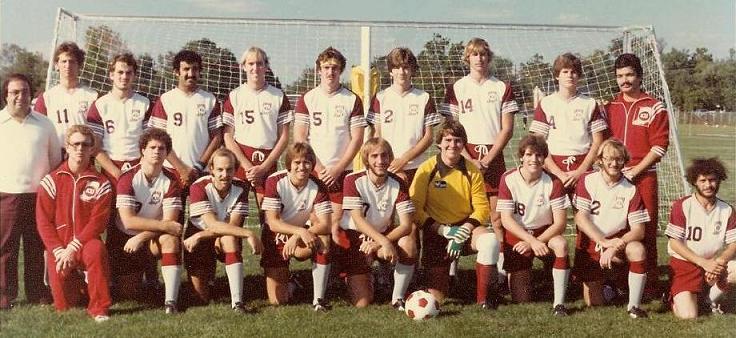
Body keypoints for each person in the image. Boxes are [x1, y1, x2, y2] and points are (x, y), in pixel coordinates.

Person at [442, 38, 519, 285]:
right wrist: (467, 156)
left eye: (484, 54)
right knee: (457, 213)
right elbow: (450, 127)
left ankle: (500, 270)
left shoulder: (501, 87)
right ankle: (450, 269)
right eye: (474, 55)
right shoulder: (457, 87)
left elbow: (507, 128)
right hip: (462, 154)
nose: (479, 59)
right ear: (467, 58)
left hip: (492, 158)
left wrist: (486, 159)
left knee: (497, 217)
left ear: (489, 57)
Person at [410, 120, 497, 308]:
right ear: (439, 143)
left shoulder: (472, 170)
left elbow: (482, 208)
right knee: (436, 299)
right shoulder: (426, 169)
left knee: (490, 241)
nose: (452, 145)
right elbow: (415, 209)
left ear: (463, 143)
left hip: (465, 229)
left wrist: (464, 230)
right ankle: (446, 279)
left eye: (458, 140)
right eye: (448, 140)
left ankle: (484, 300)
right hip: (437, 231)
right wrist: (443, 231)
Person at [604, 53, 670, 295]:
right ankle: (615, 281)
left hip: (643, 177)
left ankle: (649, 284)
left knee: (646, 230)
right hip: (613, 177)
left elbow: (659, 146)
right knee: (616, 227)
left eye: (630, 74)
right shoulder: (609, 107)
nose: (625, 80)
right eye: (620, 76)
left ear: (640, 76)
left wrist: (635, 171)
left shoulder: (654, 106)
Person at [35, 125, 112, 322]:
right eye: (75, 144)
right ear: (67, 147)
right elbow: (43, 222)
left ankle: (99, 309)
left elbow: (98, 222)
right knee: (64, 306)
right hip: (59, 245)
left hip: (86, 242)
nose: (80, 149)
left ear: (91, 149)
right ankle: (78, 284)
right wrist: (59, 250)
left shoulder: (101, 182)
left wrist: (74, 246)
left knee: (96, 250)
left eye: (85, 145)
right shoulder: (51, 180)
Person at [294, 47, 366, 246]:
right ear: (319, 69)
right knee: (316, 222)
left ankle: (338, 273)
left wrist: (338, 168)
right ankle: (320, 269)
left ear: (341, 70)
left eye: (334, 67)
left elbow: (357, 138)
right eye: (326, 67)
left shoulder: (351, 99)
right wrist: (318, 167)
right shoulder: (307, 98)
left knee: (338, 224)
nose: (330, 72)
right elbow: (300, 137)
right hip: (313, 171)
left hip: (342, 172)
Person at [0, 73, 61, 309]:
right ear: (6, 95)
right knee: (6, 248)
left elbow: (55, 160)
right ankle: (5, 296)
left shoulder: (45, 124)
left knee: (37, 246)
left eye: (24, 91)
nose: (20, 97)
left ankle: (38, 292)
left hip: (39, 196)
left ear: (31, 94)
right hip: (6, 195)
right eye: (14, 92)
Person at [334, 138, 416, 309]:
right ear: (366, 159)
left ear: (390, 157)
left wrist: (380, 241)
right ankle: (363, 274)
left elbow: (406, 225)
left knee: (408, 242)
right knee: (362, 303)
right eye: (375, 156)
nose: (380, 161)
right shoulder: (352, 180)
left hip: (381, 235)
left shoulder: (398, 182)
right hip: (355, 236)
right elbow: (357, 219)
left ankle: (398, 298)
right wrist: (384, 242)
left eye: (384, 156)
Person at [573, 139, 650, 318]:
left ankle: (634, 306)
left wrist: (614, 245)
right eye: (609, 159)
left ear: (624, 161)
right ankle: (612, 285)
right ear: (600, 159)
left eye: (619, 159)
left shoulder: (630, 188)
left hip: (618, 242)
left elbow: (639, 230)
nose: (614, 163)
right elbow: (580, 218)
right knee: (594, 303)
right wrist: (603, 241)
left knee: (637, 249)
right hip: (593, 241)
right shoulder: (587, 180)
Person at [111, 128, 184, 314]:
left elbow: (171, 224)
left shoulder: (172, 180)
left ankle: (170, 302)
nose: (157, 152)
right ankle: (148, 276)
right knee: (128, 294)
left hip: (150, 239)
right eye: (152, 147)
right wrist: (162, 226)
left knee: (170, 240)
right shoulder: (127, 178)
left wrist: (141, 237)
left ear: (167, 153)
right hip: (125, 239)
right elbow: (128, 222)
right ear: (143, 150)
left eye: (162, 148)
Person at [498, 134, 570, 316]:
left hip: (546, 233)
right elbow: (506, 220)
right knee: (521, 298)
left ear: (544, 158)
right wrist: (530, 241)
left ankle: (559, 303)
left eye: (538, 155)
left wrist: (536, 241)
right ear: (521, 156)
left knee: (561, 244)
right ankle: (541, 281)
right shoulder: (508, 179)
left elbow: (560, 223)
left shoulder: (553, 182)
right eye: (529, 154)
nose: (534, 159)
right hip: (518, 236)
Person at [183, 149, 263, 312]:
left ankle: (237, 302)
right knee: (200, 298)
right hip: (199, 240)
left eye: (229, 169)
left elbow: (232, 226)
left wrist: (200, 235)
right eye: (219, 169)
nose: (224, 174)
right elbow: (212, 224)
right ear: (211, 169)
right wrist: (249, 233)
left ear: (235, 170)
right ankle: (211, 281)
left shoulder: (241, 187)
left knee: (230, 238)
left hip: (208, 236)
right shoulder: (198, 186)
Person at [261, 143, 332, 311]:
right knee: (278, 300)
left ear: (313, 164)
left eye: (307, 162)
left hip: (301, 235)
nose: (302, 167)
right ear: (289, 164)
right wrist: (299, 231)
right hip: (277, 234)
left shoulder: (318, 186)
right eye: (297, 162)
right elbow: (272, 222)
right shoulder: (275, 181)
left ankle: (318, 300)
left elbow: (326, 224)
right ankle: (294, 281)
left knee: (324, 239)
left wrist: (299, 235)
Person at [665, 158, 735, 319]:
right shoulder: (682, 206)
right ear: (694, 182)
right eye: (703, 180)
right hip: (685, 265)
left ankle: (708, 300)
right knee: (688, 316)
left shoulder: (727, 210)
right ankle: (672, 296)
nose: (708, 185)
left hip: (713, 263)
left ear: (719, 180)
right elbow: (674, 243)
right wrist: (703, 263)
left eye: (712, 180)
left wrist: (720, 261)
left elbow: (734, 243)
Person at [223, 47, 291, 206]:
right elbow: (227, 135)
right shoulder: (234, 96)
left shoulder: (278, 96)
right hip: (240, 160)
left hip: (268, 160)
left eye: (260, 63)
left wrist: (264, 167)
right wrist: (247, 166)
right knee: (235, 209)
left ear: (266, 67)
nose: (255, 68)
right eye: (251, 63)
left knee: (268, 210)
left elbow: (284, 136)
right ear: (243, 66)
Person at [530, 52, 607, 193]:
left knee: (584, 212)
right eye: (565, 71)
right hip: (553, 166)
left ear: (579, 75)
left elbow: (598, 142)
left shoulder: (589, 103)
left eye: (574, 72)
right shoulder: (546, 103)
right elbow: (538, 143)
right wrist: (558, 173)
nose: (570, 75)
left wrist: (580, 172)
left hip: (582, 165)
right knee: (553, 213)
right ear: (557, 75)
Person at [148, 50, 222, 189]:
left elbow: (216, 137)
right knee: (173, 211)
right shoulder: (165, 100)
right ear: (177, 72)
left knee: (203, 210)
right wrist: (181, 168)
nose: (191, 73)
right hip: (171, 169)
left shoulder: (209, 100)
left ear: (200, 71)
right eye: (186, 69)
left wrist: (199, 166)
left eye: (195, 69)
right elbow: (158, 138)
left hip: (202, 171)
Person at [366, 47, 440, 185]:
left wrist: (404, 159)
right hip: (387, 166)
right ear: (390, 71)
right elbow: (377, 135)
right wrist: (391, 163)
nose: (401, 72)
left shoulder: (424, 97)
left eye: (405, 67)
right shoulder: (380, 98)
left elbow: (429, 137)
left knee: (415, 206)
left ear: (412, 70)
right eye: (397, 67)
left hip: (416, 166)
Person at [87, 53, 151, 185]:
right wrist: (116, 173)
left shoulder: (145, 103)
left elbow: (151, 142)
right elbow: (95, 147)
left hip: (140, 166)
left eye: (129, 73)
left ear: (134, 75)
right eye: (120, 72)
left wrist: (142, 168)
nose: (124, 77)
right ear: (111, 75)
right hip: (111, 169)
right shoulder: (99, 105)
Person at [34, 42, 99, 150]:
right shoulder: (46, 98)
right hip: (56, 156)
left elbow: (98, 134)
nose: (67, 65)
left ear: (79, 65)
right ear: (56, 65)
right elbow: (39, 131)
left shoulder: (92, 96)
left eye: (72, 61)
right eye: (64, 61)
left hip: (84, 155)